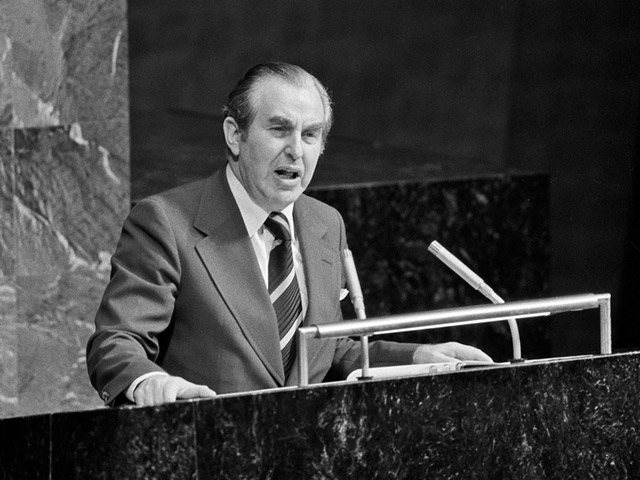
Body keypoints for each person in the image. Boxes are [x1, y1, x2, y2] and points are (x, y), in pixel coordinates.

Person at [86, 62, 492, 407]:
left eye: (310, 134)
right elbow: (117, 342)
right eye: (280, 130)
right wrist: (156, 386)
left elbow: (327, 350)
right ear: (235, 134)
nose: (296, 150)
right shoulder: (164, 221)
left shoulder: (324, 222)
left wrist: (422, 358)